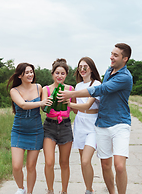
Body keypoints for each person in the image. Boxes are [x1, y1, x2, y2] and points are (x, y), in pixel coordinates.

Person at [58, 43, 133, 194]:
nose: (111, 57)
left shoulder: (125, 77)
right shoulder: (109, 71)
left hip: (120, 123)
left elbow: (101, 89)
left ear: (125, 59)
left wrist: (71, 95)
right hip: (102, 124)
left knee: (119, 165)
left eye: (116, 55)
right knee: (105, 164)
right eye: (111, 54)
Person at [7, 63, 50, 194]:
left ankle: (30, 192)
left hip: (36, 132)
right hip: (19, 131)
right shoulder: (14, 91)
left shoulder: (38, 87)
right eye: (27, 72)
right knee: (16, 166)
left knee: (31, 166)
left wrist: (52, 99)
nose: (30, 74)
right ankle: (21, 188)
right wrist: (41, 103)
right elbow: (22, 105)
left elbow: (45, 107)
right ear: (20, 75)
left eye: (31, 72)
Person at [66, 57, 101, 194]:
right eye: (80, 67)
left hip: (93, 124)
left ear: (91, 68)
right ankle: (89, 189)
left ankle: (88, 189)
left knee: (86, 160)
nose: (82, 69)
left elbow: (87, 105)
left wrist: (67, 103)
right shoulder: (78, 86)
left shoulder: (96, 84)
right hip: (80, 123)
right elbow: (76, 109)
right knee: (82, 161)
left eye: (85, 66)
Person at [42, 58, 75, 194]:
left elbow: (76, 109)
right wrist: (47, 103)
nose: (59, 76)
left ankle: (64, 191)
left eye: (62, 73)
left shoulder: (70, 89)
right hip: (49, 126)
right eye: (57, 73)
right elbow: (42, 108)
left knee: (64, 163)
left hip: (66, 126)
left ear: (66, 74)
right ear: (52, 74)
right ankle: (50, 190)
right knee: (49, 162)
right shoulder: (46, 89)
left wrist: (69, 102)